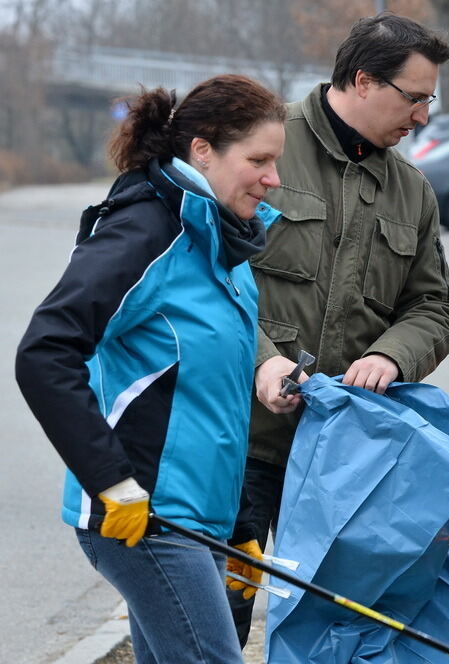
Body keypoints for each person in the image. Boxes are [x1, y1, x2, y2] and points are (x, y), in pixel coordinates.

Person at [15, 75, 286, 664]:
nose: (274, 179)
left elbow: (215, 398)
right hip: (146, 519)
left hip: (199, 520)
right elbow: (44, 352)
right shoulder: (145, 229)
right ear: (203, 150)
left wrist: (239, 521)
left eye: (276, 161)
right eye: (259, 160)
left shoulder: (224, 243)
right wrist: (109, 480)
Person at [226, 13, 449, 646]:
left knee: (335, 629)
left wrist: (392, 356)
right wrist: (261, 360)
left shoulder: (412, 192)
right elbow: (204, 279)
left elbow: (434, 308)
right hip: (239, 446)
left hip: (340, 459)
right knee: (221, 615)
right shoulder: (261, 150)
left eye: (429, 100)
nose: (423, 117)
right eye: (413, 98)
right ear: (362, 81)